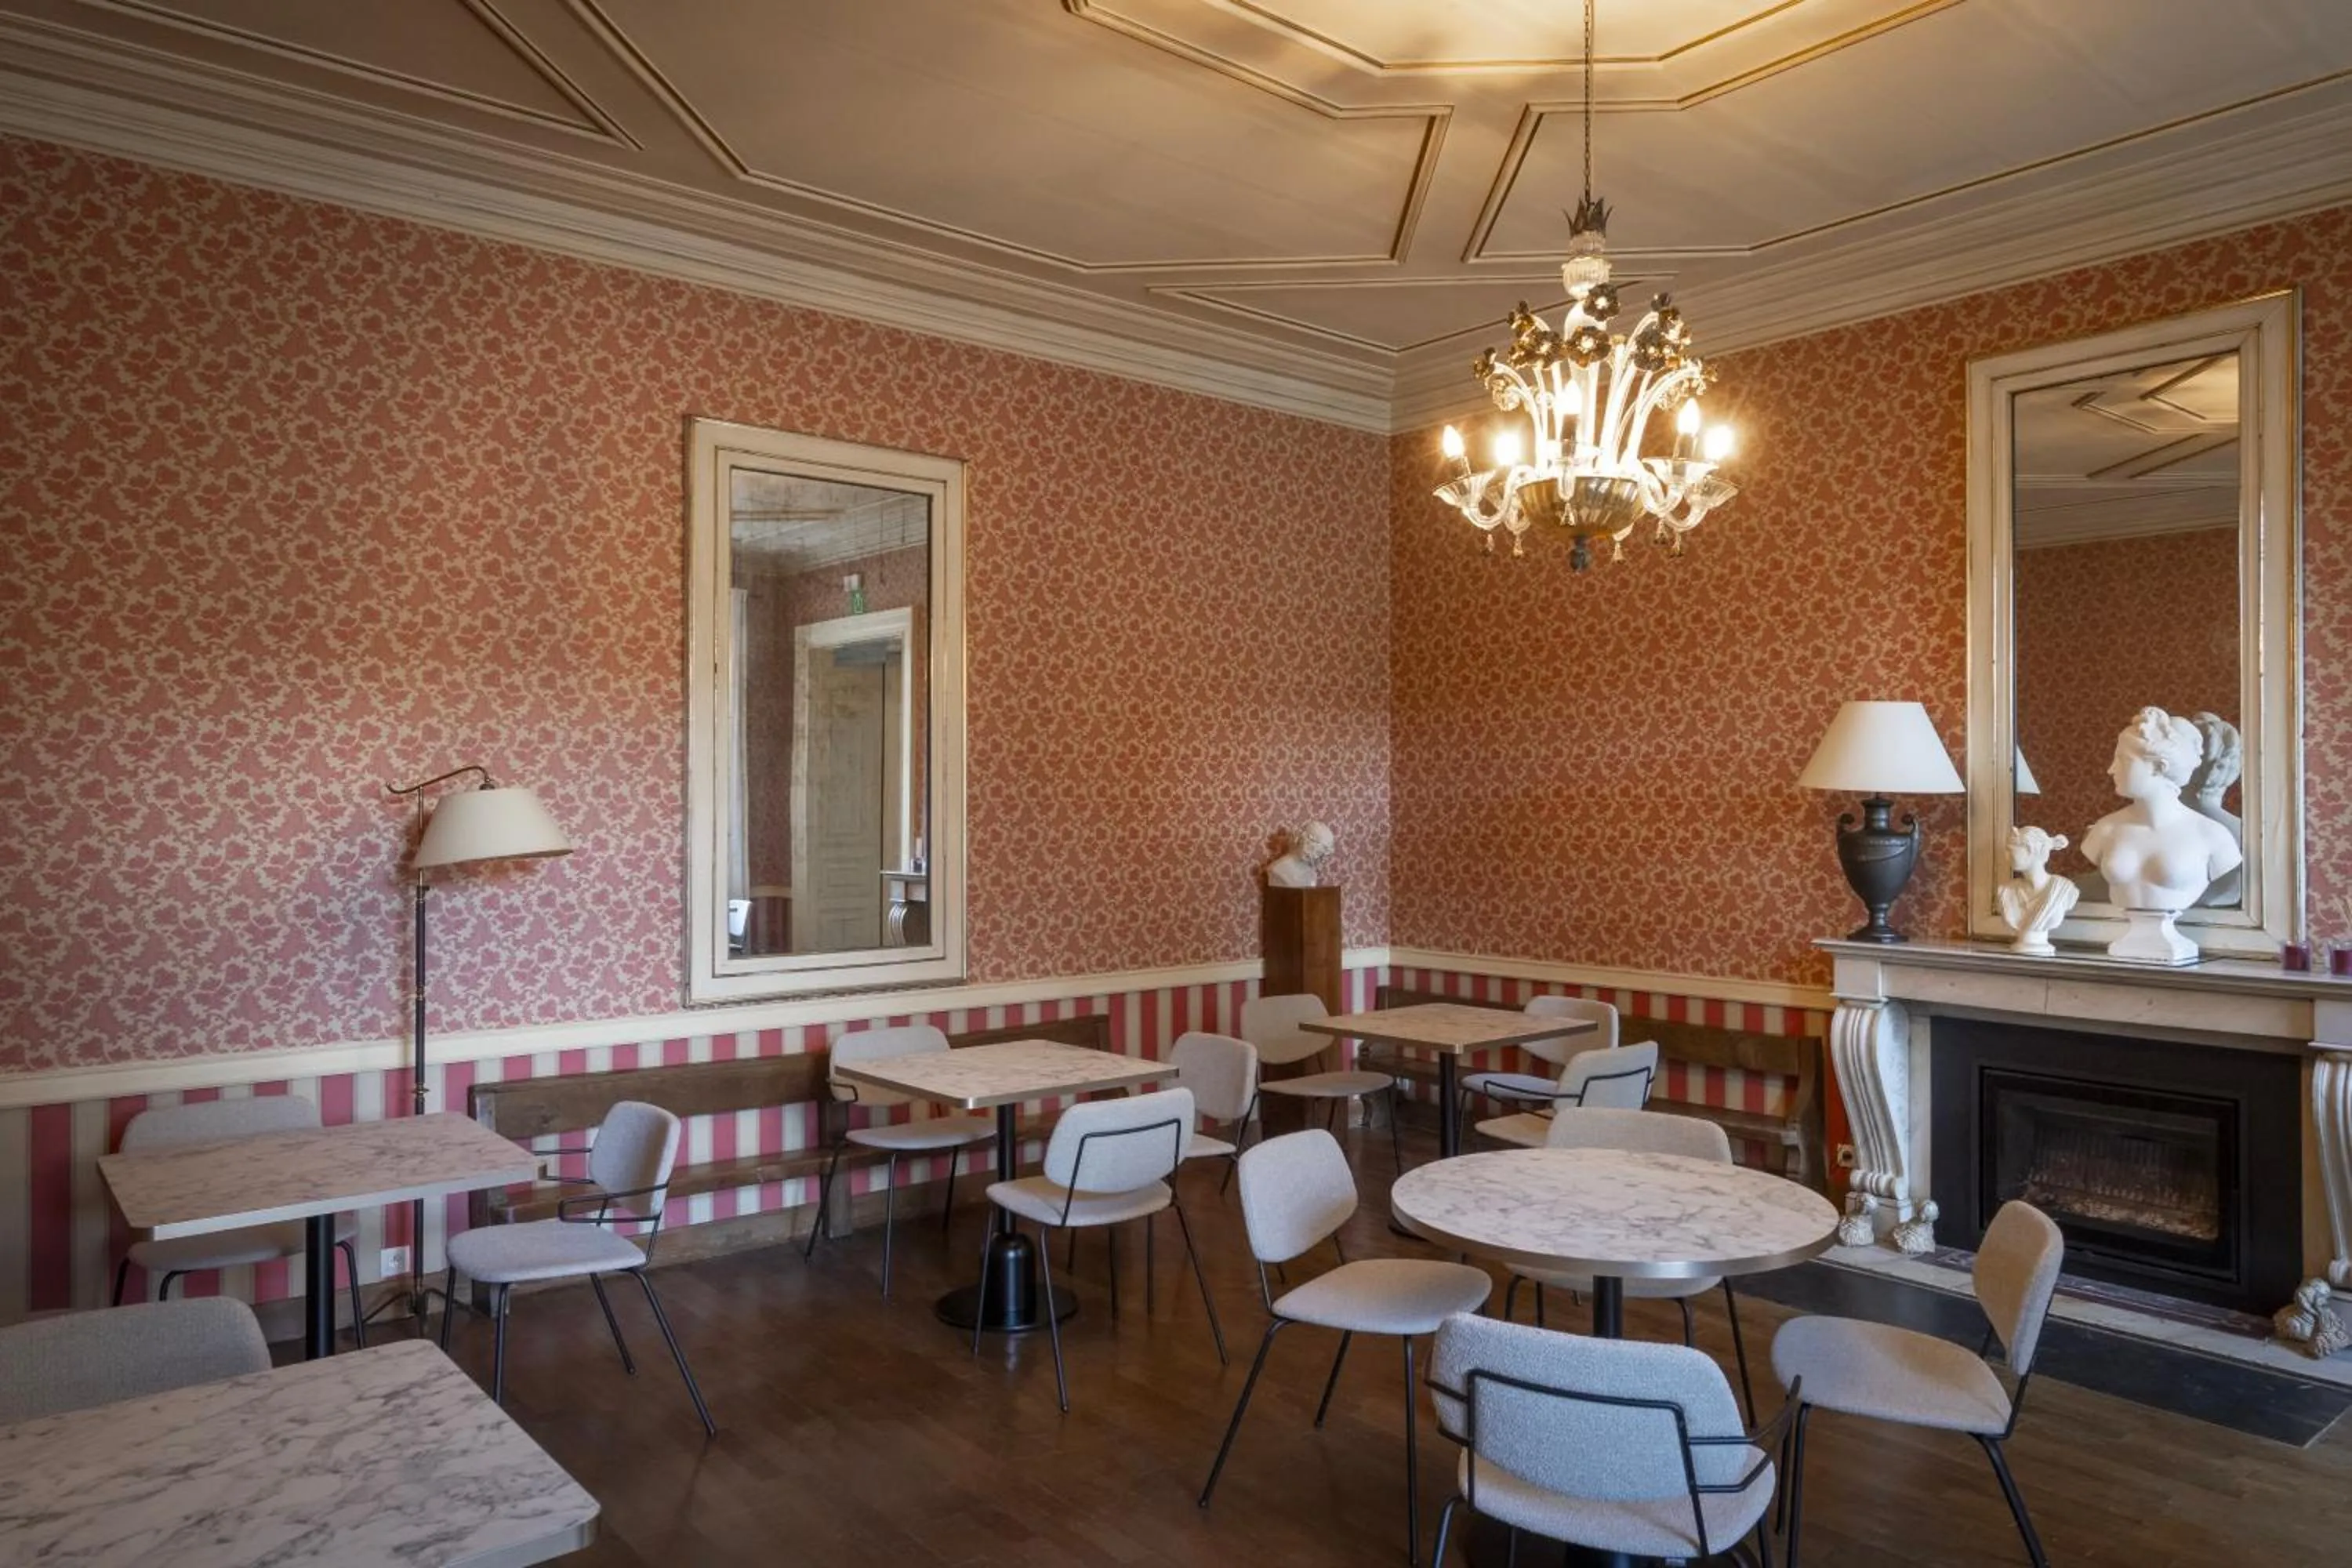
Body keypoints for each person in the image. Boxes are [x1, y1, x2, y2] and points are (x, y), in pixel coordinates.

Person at [2082, 707, 2242, 915]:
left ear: (2160, 767)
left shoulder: (2213, 836)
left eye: (2124, 760)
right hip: (2123, 939)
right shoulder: (2105, 829)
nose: (2111, 769)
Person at [1997, 825, 2078, 955]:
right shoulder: (2006, 891)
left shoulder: (2064, 890)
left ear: (2031, 850)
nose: (2006, 856)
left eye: (2010, 850)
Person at [1264, 820, 1336, 888]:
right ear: (1307, 843)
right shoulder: (1277, 869)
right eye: (1319, 852)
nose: (1320, 857)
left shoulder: (1312, 873)